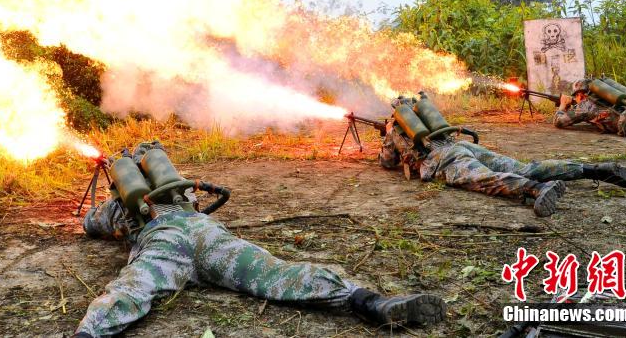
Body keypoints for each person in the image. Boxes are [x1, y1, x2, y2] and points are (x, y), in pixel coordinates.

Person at [73, 142, 446, 338]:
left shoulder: (121, 204)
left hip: (163, 244)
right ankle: (370, 302)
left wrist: (108, 211)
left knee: (130, 291)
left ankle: (87, 335)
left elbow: (92, 224)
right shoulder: (181, 191)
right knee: (274, 273)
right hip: (205, 234)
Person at [379, 96, 626, 217]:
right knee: (526, 167)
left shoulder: (398, 129)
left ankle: (538, 190)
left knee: (487, 180)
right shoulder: (426, 118)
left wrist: (388, 134)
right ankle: (590, 170)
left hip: (443, 158)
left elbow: (388, 162)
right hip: (464, 147)